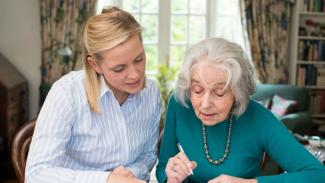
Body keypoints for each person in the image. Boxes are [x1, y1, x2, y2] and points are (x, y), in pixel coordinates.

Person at [156, 38, 325, 183]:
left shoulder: (258, 118)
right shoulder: (180, 104)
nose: (205, 104)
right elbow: (163, 167)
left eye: (219, 92)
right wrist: (172, 177)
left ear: (238, 92)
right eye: (197, 90)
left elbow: (318, 175)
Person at [25, 6, 161, 183]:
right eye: (119, 68)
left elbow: (148, 155)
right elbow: (37, 174)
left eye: (139, 59)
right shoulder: (67, 93)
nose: (135, 74)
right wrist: (107, 179)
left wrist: (128, 174)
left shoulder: (151, 93)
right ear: (94, 65)